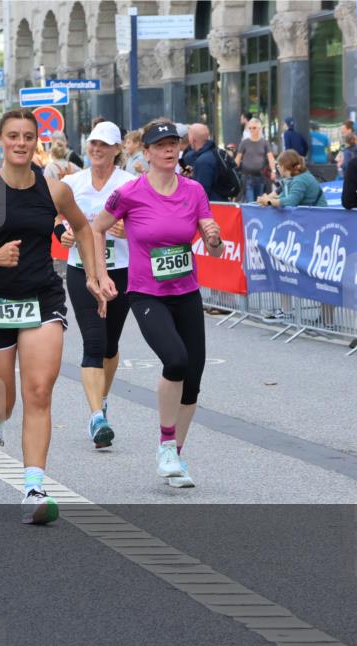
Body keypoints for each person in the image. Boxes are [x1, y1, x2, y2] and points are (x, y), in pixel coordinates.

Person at [0, 109, 110, 524]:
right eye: (12, 136)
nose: (20, 142)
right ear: (0, 140)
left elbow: (84, 229)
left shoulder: (55, 190)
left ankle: (34, 488)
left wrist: (94, 275)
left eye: (28, 136)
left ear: (37, 140)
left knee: (38, 391)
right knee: (2, 404)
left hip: (41, 298)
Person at [92, 118, 225, 489]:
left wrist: (213, 238)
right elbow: (97, 227)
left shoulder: (194, 190)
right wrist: (101, 274)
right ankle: (166, 443)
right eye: (161, 144)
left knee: (193, 379)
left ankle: (175, 456)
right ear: (146, 152)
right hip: (147, 293)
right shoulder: (131, 193)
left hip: (185, 291)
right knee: (176, 361)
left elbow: (212, 238)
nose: (170, 149)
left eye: (174, 144)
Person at [58, 121, 136, 449]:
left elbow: (147, 223)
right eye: (92, 144)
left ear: (117, 150)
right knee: (93, 341)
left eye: (104, 144)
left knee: (109, 345)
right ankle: (96, 417)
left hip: (121, 270)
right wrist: (60, 233)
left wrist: (128, 230)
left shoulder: (130, 183)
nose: (96, 149)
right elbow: (55, 216)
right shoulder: (72, 182)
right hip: (82, 269)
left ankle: (101, 398)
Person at [258, 150, 328, 208]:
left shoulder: (300, 180)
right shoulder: (293, 178)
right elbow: (280, 194)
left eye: (278, 165)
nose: (278, 168)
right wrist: (265, 199)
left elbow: (291, 201)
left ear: (283, 167)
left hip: (318, 216)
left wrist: (269, 201)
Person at [236, 118, 277, 202]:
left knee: (260, 201)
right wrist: (233, 172)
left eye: (254, 128)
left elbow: (271, 158)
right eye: (249, 128)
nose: (251, 130)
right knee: (250, 200)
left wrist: (273, 171)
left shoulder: (265, 143)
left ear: (259, 128)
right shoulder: (244, 142)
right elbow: (237, 159)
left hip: (261, 176)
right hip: (247, 176)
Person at [183, 123, 225, 201]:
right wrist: (194, 174)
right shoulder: (214, 152)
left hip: (213, 207)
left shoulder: (203, 161)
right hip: (221, 201)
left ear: (192, 139)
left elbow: (201, 192)